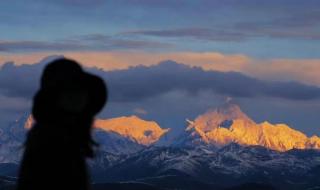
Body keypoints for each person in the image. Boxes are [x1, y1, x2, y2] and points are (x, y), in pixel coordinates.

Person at [16, 58, 107, 190]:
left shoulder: (61, 135)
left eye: (80, 91)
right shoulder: (52, 140)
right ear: (55, 98)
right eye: (70, 92)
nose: (78, 97)